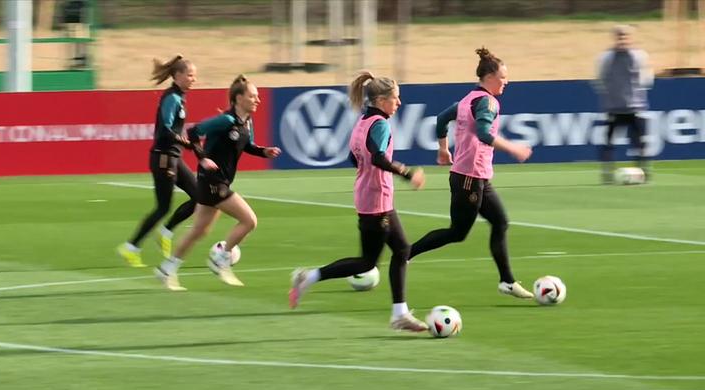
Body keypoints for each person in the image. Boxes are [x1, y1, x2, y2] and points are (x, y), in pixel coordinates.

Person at [288, 71, 428, 332]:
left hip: (367, 196)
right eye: (395, 99)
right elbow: (377, 158)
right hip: (377, 200)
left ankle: (311, 277)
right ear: (381, 100)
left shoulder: (362, 122)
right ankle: (398, 313)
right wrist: (408, 174)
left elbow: (354, 157)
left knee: (384, 256)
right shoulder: (380, 124)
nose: (399, 103)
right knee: (385, 256)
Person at [407, 47, 534, 300]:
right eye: (503, 77)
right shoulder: (487, 101)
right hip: (469, 178)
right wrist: (513, 148)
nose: (506, 82)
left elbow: (442, 119)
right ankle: (406, 253)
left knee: (500, 222)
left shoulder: (467, 99)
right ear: (489, 77)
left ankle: (507, 281)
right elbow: (485, 134)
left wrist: (443, 150)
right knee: (457, 232)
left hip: (477, 177)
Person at [155, 74, 281, 290]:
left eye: (258, 96)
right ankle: (221, 259)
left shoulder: (246, 121)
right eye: (252, 96)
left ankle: (167, 269)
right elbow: (193, 132)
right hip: (214, 182)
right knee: (249, 220)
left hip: (216, 182)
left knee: (199, 231)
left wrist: (264, 151)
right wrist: (202, 158)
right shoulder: (226, 120)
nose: (257, 100)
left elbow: (248, 145)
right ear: (238, 98)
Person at [117, 55, 199, 268]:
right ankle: (131, 247)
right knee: (162, 207)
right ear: (178, 75)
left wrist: (185, 145)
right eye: (190, 75)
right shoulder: (172, 97)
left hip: (174, 157)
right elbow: (166, 130)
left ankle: (166, 232)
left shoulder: (179, 97)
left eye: (194, 76)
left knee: (200, 196)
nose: (194, 79)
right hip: (164, 157)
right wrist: (186, 143)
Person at [595, 24, 654, 184]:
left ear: (631, 38)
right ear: (615, 38)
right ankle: (607, 173)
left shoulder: (639, 56)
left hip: (635, 107)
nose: (622, 39)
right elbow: (600, 78)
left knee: (640, 142)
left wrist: (636, 94)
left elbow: (647, 78)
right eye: (620, 36)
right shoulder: (606, 57)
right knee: (608, 142)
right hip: (614, 108)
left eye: (625, 36)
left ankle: (644, 172)